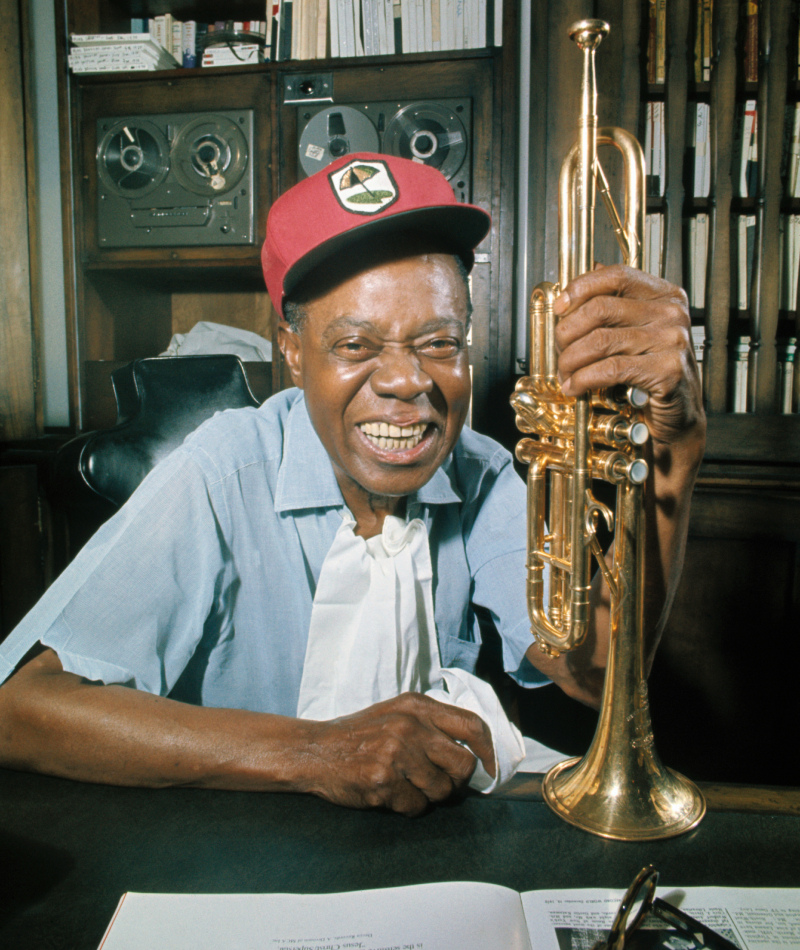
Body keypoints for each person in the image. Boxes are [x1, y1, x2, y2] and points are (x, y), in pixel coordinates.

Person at [0, 153, 705, 816]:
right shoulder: (220, 471)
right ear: (293, 356)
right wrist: (316, 751)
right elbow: (18, 711)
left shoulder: (481, 471)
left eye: (439, 343)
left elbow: (600, 675)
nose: (407, 383)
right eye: (355, 346)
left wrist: (677, 446)